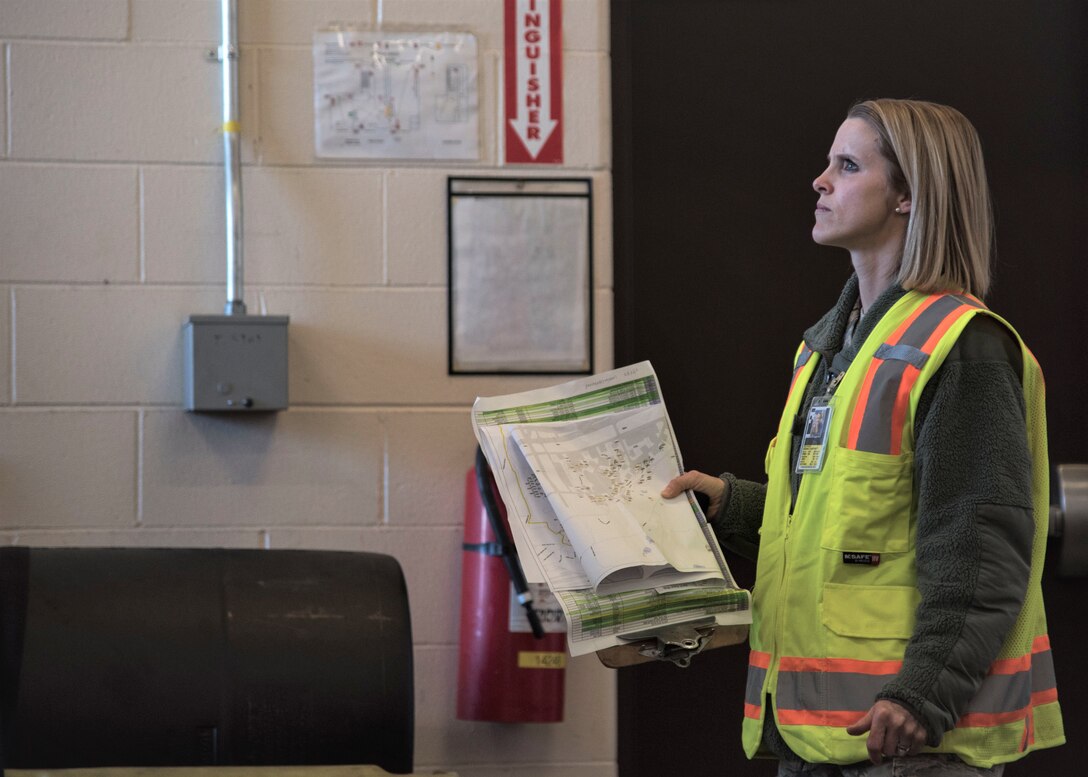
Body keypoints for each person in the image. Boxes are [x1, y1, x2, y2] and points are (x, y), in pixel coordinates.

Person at [662, 99, 1064, 776]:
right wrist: (730, 507)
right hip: (816, 743)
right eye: (828, 164)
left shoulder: (961, 348)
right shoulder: (827, 350)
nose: (820, 181)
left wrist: (922, 695)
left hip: (914, 747)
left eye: (846, 166)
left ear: (908, 195)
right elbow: (839, 531)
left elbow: (979, 552)